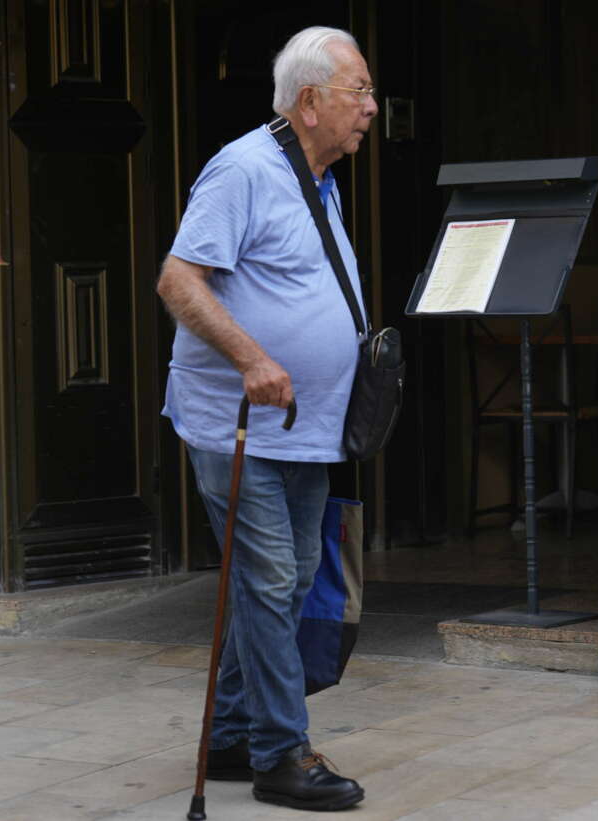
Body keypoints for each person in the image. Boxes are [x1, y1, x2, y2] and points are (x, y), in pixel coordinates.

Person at [156, 26, 378, 812]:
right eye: (360, 92)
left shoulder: (318, 178)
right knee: (271, 577)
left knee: (278, 588)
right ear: (310, 101)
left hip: (306, 427)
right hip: (237, 423)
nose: (372, 108)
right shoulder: (243, 169)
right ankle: (282, 754)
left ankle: (229, 733)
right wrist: (253, 357)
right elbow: (179, 281)